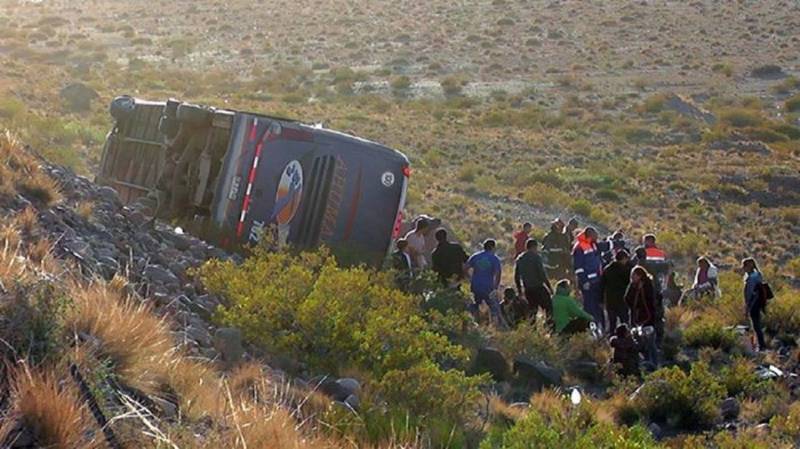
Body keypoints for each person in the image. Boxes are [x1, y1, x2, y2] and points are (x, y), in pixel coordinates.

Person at [572, 226, 611, 331]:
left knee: (598, 306)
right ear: (590, 235)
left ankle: (601, 328)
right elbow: (578, 268)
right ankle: (590, 329)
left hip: (597, 281)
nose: (597, 237)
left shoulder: (592, 244)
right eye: (595, 235)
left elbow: (602, 250)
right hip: (588, 283)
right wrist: (584, 281)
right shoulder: (579, 247)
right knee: (589, 307)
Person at [625, 266, 658, 368]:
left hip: (648, 318)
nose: (632, 277)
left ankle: (654, 363)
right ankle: (646, 362)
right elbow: (627, 298)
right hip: (636, 318)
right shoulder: (632, 286)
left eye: (634, 275)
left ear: (640, 275)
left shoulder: (647, 285)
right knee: (639, 341)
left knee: (650, 342)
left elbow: (650, 302)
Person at [466, 239, 504, 326]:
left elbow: (465, 268)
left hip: (475, 286)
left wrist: (470, 278)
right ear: (493, 247)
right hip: (488, 287)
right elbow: (498, 275)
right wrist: (495, 288)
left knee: (476, 305)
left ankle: (475, 324)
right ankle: (495, 327)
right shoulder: (494, 259)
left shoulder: (475, 256)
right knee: (494, 308)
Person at [514, 239, 552, 322]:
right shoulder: (536, 257)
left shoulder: (520, 258)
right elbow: (542, 274)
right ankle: (550, 327)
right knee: (549, 308)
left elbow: (516, 276)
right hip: (538, 288)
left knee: (532, 311)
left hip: (528, 289)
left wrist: (520, 291)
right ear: (534, 247)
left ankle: (533, 330)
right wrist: (549, 287)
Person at [602, 250, 633, 333]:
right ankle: (626, 340)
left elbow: (602, 285)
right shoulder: (626, 270)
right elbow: (629, 283)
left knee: (612, 323)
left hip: (610, 300)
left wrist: (601, 300)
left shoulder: (607, 269)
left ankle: (612, 339)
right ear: (623, 259)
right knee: (625, 322)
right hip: (622, 299)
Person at [742, 257, 767, 352]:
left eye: (745, 266)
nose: (743, 268)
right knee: (756, 325)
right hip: (755, 303)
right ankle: (759, 345)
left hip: (754, 304)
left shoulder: (753, 277)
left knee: (756, 325)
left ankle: (762, 346)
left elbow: (751, 293)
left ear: (750, 266)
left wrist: (748, 306)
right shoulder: (755, 275)